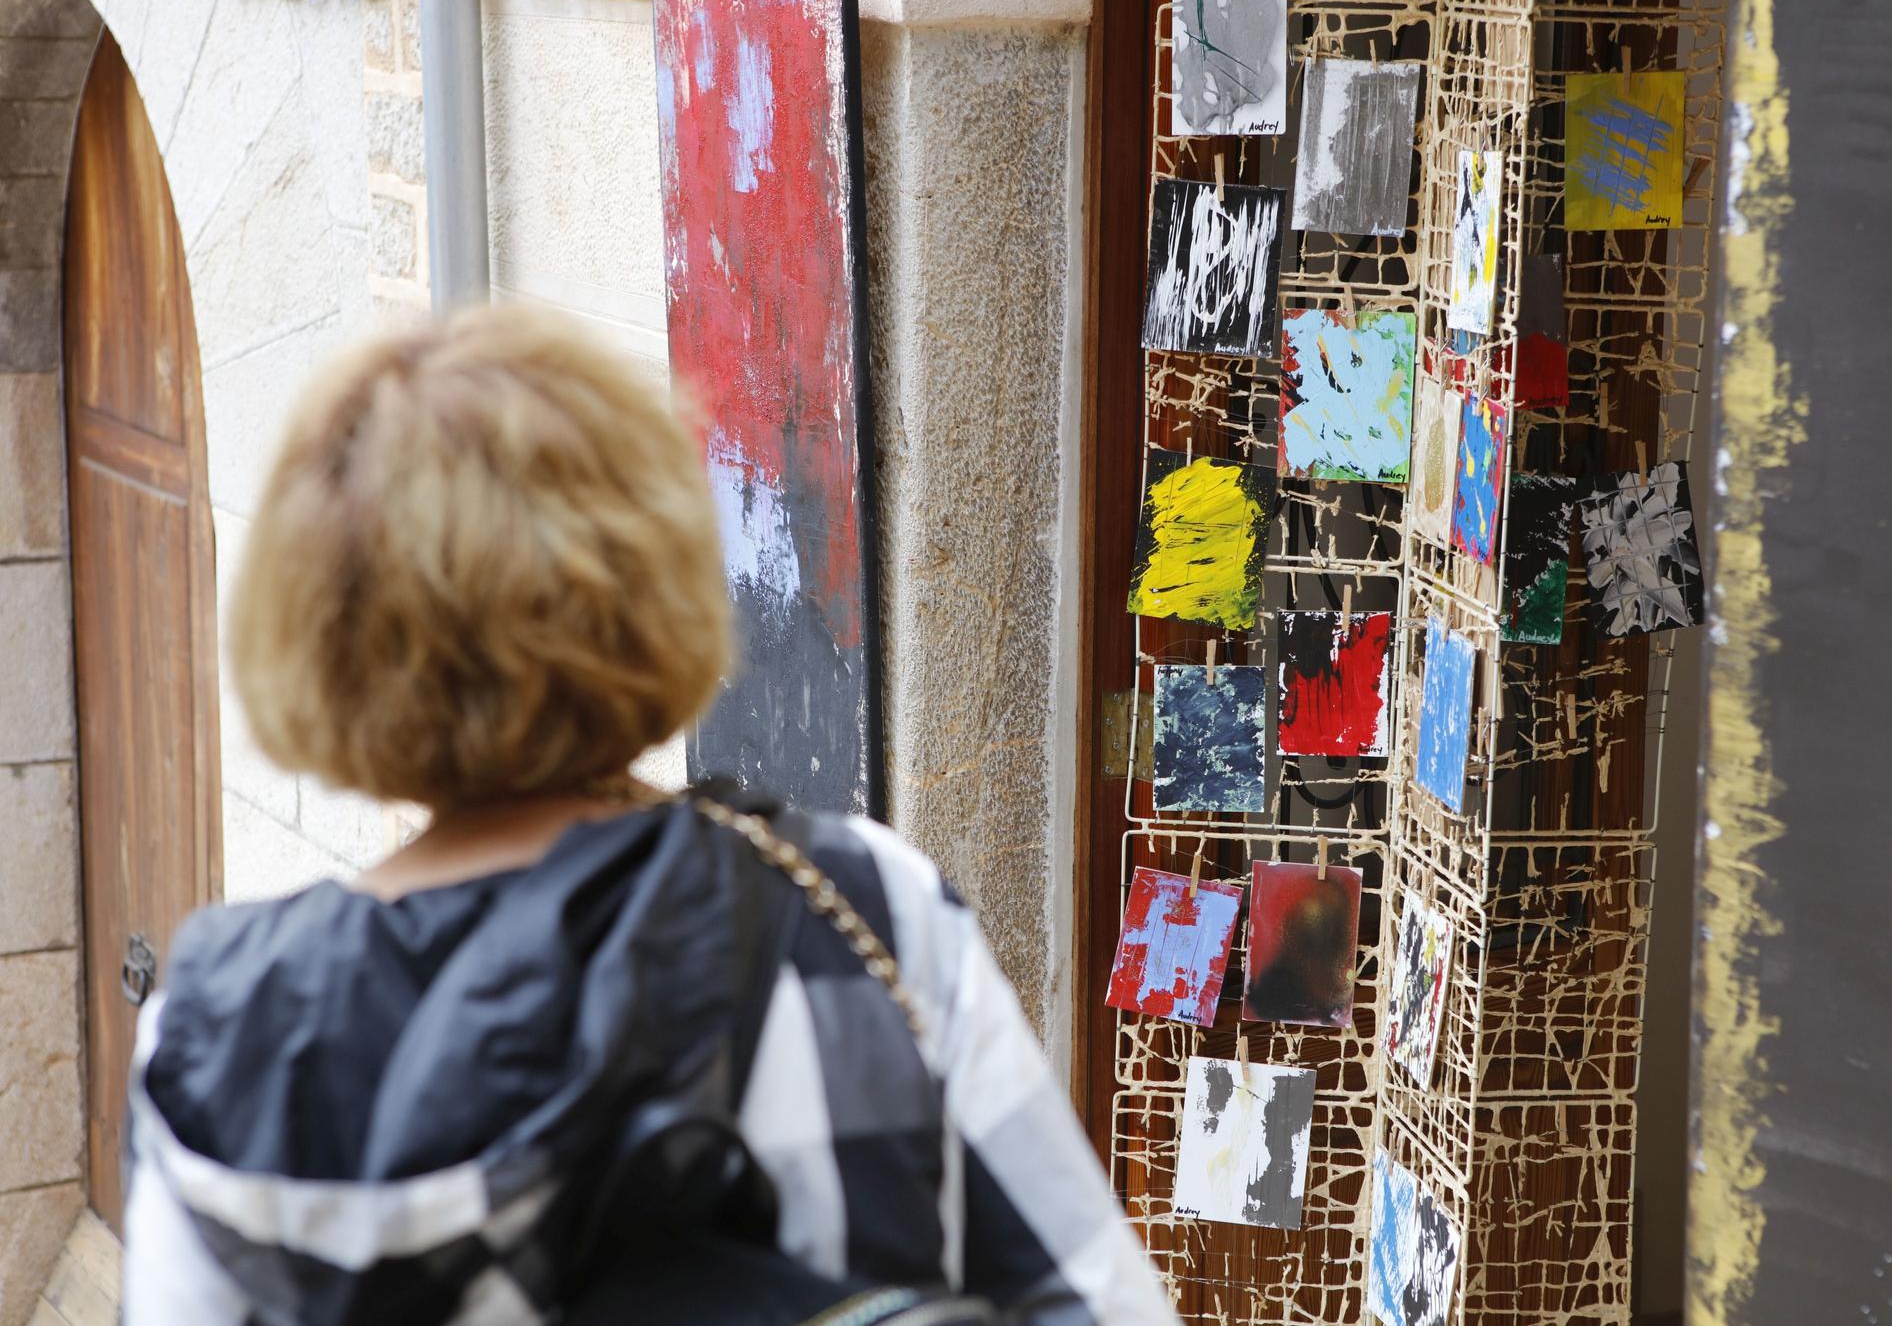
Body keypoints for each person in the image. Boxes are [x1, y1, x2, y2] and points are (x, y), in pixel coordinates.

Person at [120, 304, 1181, 1326]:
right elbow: (1094, 1302)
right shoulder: (855, 907)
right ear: (650, 575)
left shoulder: (218, 1031)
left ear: (315, 630)